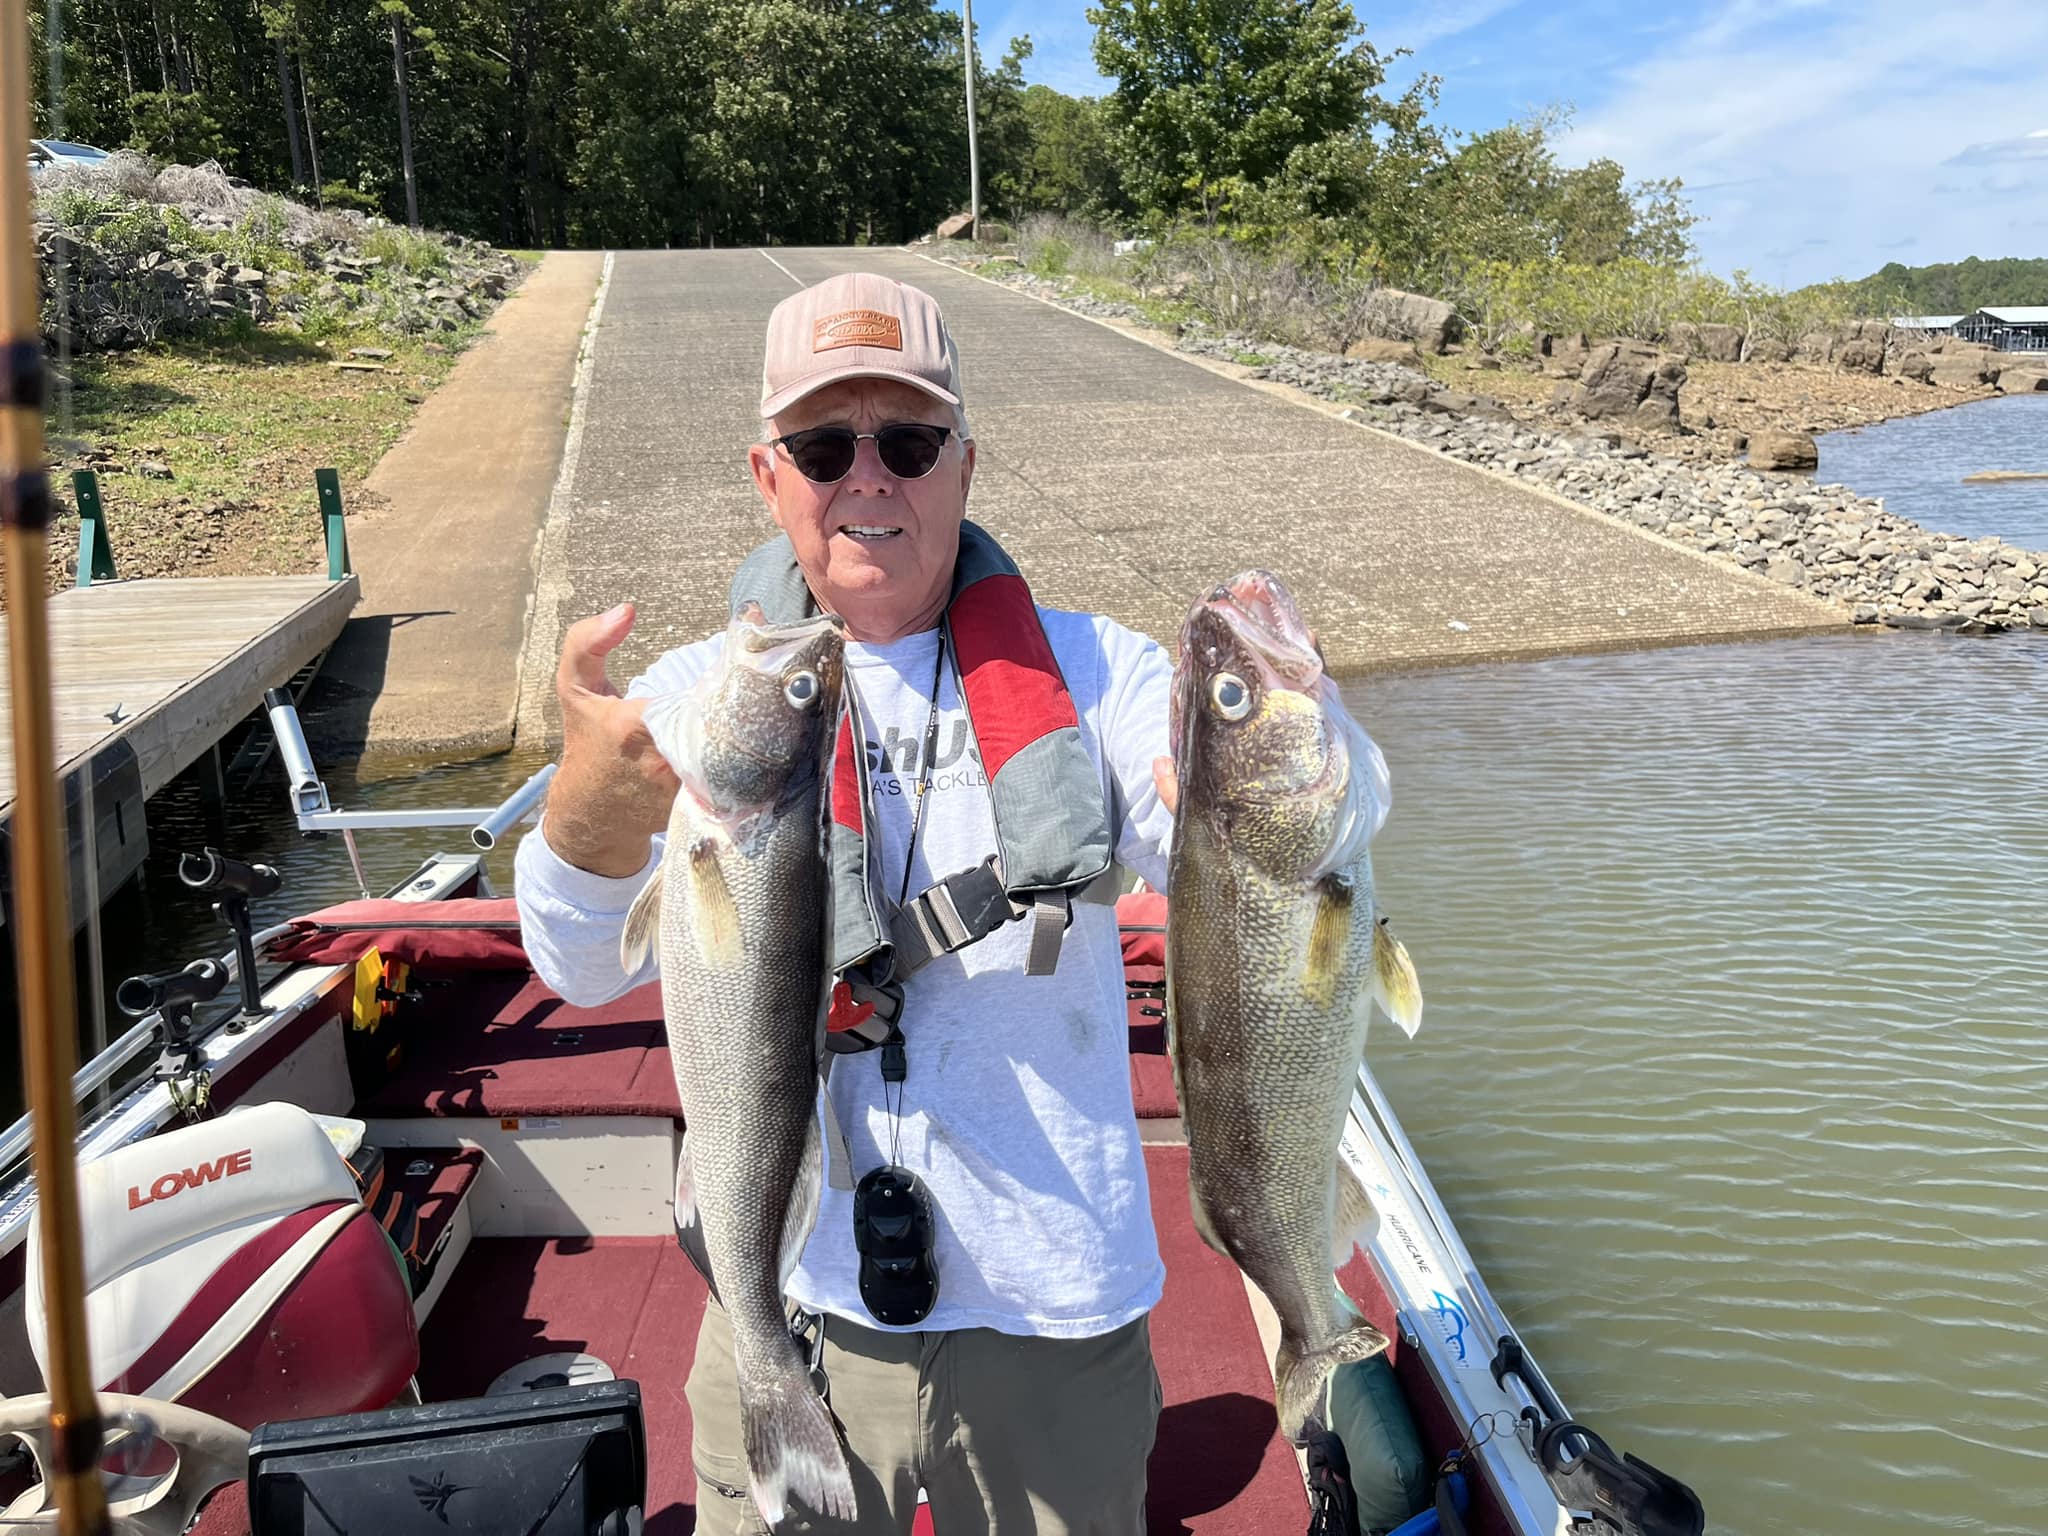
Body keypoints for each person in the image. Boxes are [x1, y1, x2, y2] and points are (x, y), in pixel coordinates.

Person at [514, 272, 1181, 1534]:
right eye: (825, 445)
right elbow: (577, 968)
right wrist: (585, 821)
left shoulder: (1108, 673)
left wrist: (1256, 795)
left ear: (963, 469)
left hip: (1054, 1302)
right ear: (768, 477)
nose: (867, 477)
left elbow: (1209, 854)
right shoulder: (697, 698)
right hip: (791, 1290)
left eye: (909, 441)